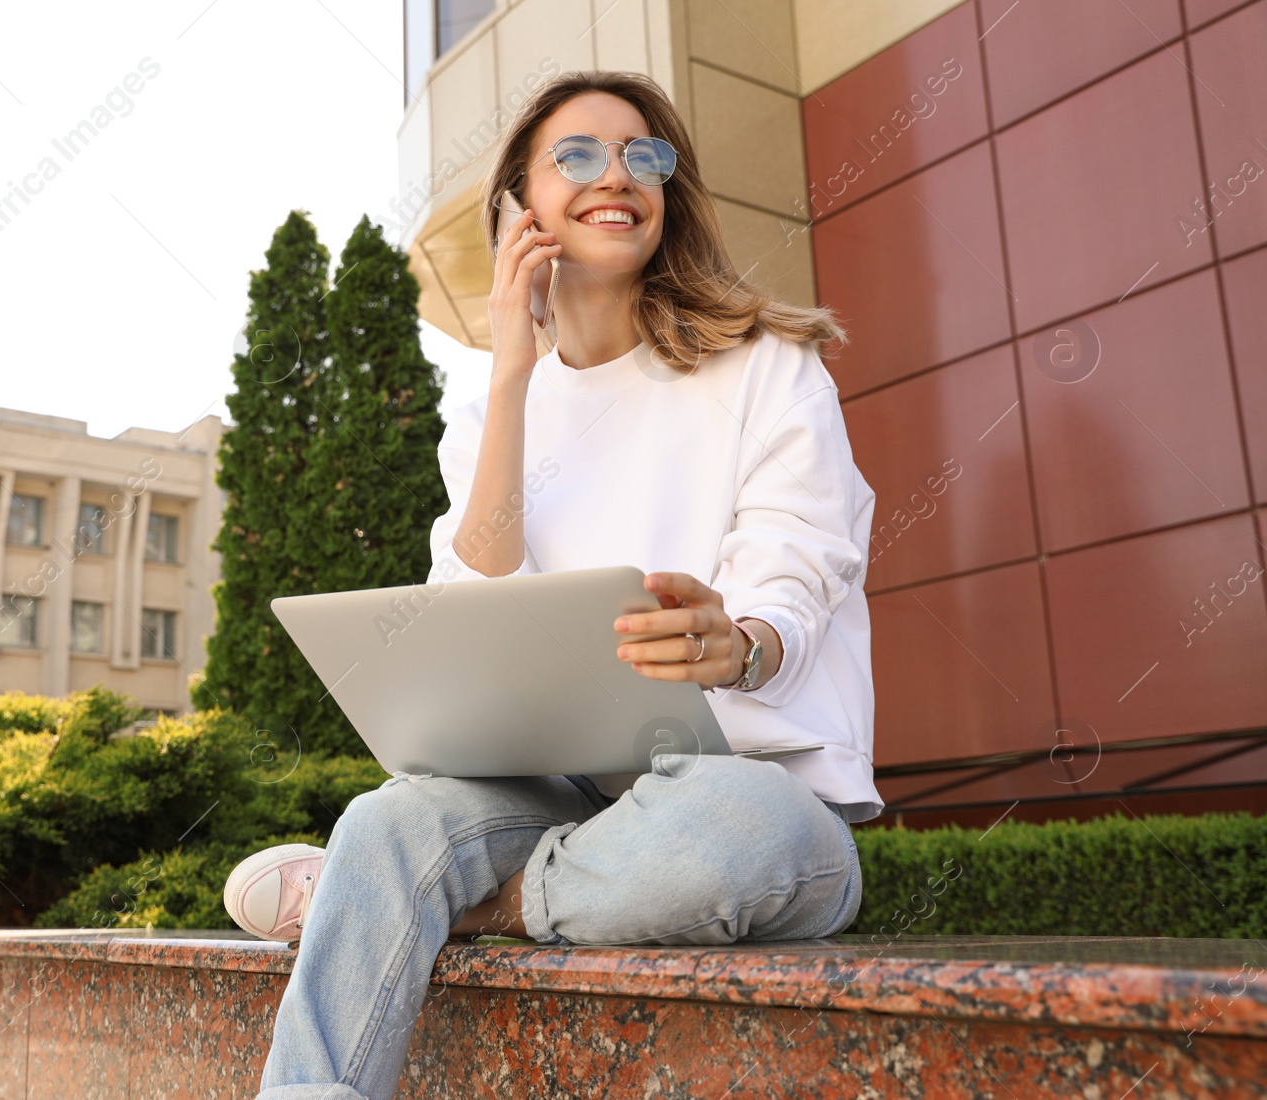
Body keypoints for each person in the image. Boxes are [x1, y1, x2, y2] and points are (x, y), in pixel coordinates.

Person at [225, 69, 883, 1100]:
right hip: (548, 790)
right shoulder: (497, 402)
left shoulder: (768, 366)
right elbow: (471, 592)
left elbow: (806, 557)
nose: (615, 175)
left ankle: (432, 901)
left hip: (738, 794)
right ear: (515, 207)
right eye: (575, 154)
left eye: (643, 155)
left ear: (670, 193)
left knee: (736, 828)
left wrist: (742, 639)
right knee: (382, 822)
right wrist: (510, 369)